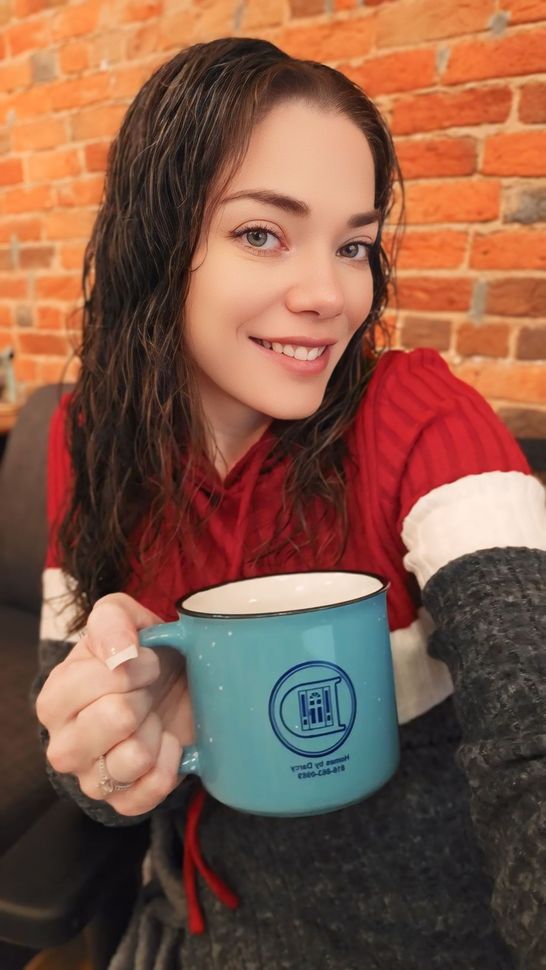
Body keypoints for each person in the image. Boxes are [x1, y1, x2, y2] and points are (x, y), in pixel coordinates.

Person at [34, 36, 545, 970]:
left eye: (353, 244)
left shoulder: (422, 421)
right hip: (190, 924)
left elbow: (534, 733)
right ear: (159, 238)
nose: (330, 294)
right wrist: (126, 750)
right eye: (261, 233)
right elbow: (85, 771)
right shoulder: (86, 436)